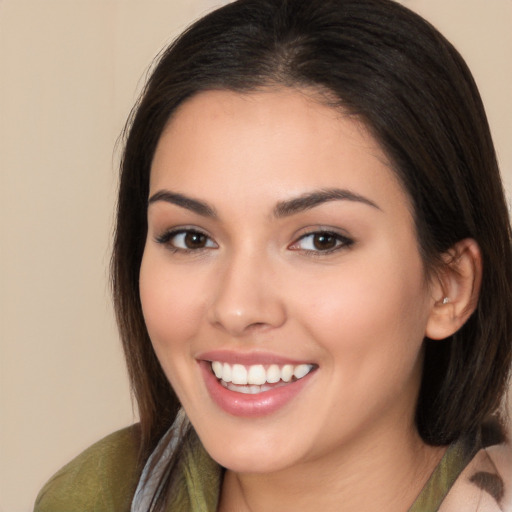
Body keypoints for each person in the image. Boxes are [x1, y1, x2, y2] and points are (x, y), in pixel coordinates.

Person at [34, 0, 512, 510]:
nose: (236, 308)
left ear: (450, 287)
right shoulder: (92, 495)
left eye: (320, 240)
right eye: (192, 238)